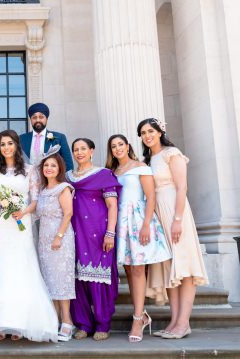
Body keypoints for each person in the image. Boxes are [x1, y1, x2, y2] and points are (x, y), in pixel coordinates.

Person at [0, 129, 58, 342]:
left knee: (20, 270)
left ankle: (19, 323)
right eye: (2, 144)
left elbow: (35, 199)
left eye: (9, 143)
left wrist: (23, 211)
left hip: (20, 225)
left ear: (16, 145)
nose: (6, 147)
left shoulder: (30, 170)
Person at [139, 118, 208, 340]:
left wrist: (178, 219)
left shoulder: (172, 153)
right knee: (170, 268)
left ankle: (184, 323)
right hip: (158, 213)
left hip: (175, 211)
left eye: (150, 130)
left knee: (184, 266)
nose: (147, 135)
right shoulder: (148, 160)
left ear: (160, 132)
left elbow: (182, 187)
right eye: (142, 132)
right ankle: (174, 321)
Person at [106, 133, 171, 342]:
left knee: (137, 268)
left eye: (120, 145)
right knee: (128, 267)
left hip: (138, 220)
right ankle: (141, 314)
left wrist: (145, 226)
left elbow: (150, 196)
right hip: (121, 223)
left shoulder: (140, 166)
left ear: (127, 146)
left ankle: (137, 319)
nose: (117, 149)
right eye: (113, 146)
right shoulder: (112, 172)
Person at [67, 138, 122, 341]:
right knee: (77, 278)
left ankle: (102, 324)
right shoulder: (68, 177)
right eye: (76, 149)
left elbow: (112, 206)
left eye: (83, 149)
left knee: (99, 279)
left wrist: (110, 233)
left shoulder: (103, 175)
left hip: (98, 233)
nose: (79, 152)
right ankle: (83, 324)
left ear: (92, 151)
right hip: (74, 233)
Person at [34, 150, 76, 341]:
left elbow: (68, 213)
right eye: (46, 165)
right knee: (50, 281)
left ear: (59, 168)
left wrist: (59, 236)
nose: (49, 168)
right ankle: (55, 321)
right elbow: (35, 214)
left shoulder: (63, 188)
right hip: (44, 241)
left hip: (61, 240)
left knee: (61, 281)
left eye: (53, 165)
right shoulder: (42, 191)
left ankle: (67, 322)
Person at [19, 103, 73, 169]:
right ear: (31, 120)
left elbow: (68, 164)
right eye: (34, 117)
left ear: (46, 119)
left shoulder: (60, 138)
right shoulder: (21, 139)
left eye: (41, 117)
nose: (38, 120)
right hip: (27, 178)